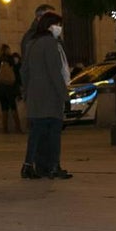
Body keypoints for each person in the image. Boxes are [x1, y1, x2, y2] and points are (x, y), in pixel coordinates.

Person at [20, 11, 71, 179]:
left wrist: (26, 92)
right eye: (58, 25)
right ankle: (54, 166)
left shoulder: (31, 44)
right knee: (54, 133)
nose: (60, 28)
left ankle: (29, 165)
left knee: (36, 134)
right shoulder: (50, 44)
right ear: (50, 26)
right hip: (50, 96)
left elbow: (25, 71)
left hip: (35, 96)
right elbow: (54, 73)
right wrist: (65, 96)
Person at [19, 3, 55, 178]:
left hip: (42, 91)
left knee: (45, 131)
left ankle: (44, 165)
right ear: (40, 18)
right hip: (39, 92)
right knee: (39, 130)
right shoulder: (32, 38)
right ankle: (34, 165)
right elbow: (27, 68)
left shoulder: (48, 36)